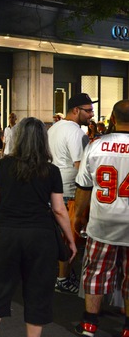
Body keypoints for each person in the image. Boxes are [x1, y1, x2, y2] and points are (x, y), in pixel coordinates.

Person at [0, 117, 77, 337]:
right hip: (40, 237)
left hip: (6, 232)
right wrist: (70, 239)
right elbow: (58, 210)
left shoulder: (3, 165)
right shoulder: (51, 171)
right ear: (43, 140)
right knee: (37, 293)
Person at [73, 99, 129, 337]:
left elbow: (84, 187)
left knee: (95, 272)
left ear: (113, 119)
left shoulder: (96, 145)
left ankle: (89, 324)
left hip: (102, 221)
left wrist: (77, 216)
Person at [48, 92, 95, 294]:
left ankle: (61, 275)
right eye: (88, 110)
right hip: (69, 190)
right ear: (76, 110)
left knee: (59, 236)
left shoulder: (54, 128)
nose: (91, 114)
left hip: (53, 188)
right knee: (70, 238)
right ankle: (63, 279)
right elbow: (80, 166)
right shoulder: (76, 133)